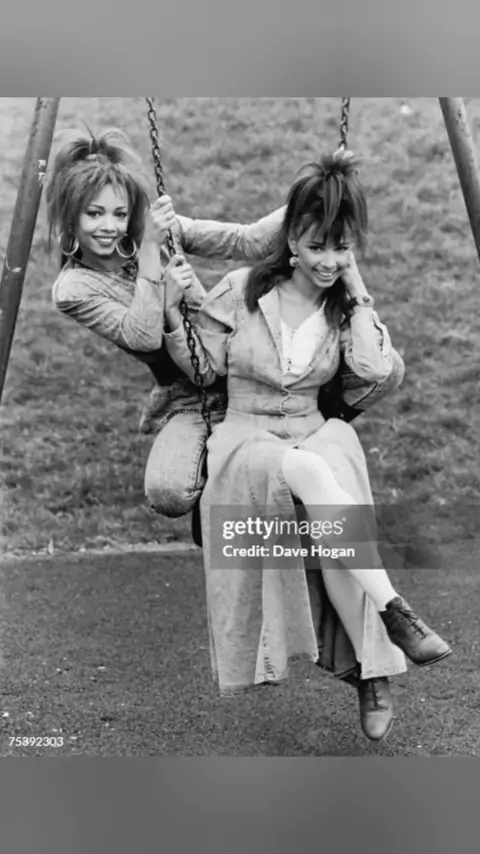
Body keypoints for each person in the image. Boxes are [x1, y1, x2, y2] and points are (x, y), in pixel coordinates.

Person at [161, 151, 452, 743]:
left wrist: (357, 289)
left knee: (336, 520)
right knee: (311, 473)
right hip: (247, 439)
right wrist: (174, 307)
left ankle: (373, 671)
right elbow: (206, 367)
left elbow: (373, 370)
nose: (328, 261)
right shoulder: (243, 289)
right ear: (292, 239)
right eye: (317, 246)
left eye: (341, 248)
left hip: (313, 428)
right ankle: (396, 612)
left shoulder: (343, 308)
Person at [46, 126, 405, 529]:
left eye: (120, 213)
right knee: (168, 491)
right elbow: (142, 335)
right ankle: (228, 477)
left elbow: (245, 242)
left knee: (387, 369)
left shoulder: (155, 229)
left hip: (242, 362)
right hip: (190, 390)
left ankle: (307, 427)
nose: (109, 226)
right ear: (70, 214)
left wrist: (314, 197)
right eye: (93, 214)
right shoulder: (75, 288)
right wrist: (151, 257)